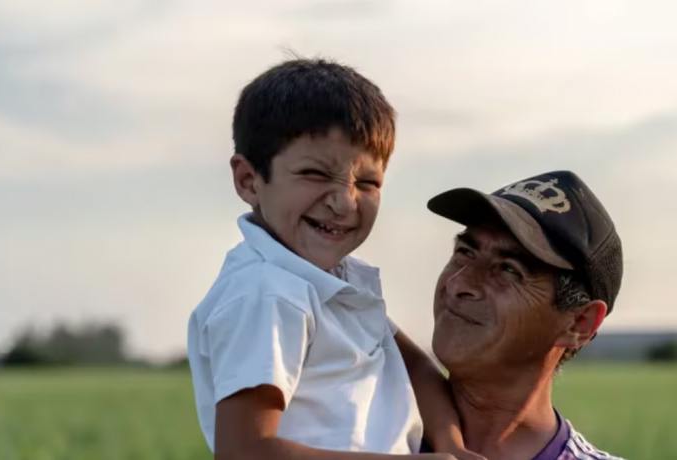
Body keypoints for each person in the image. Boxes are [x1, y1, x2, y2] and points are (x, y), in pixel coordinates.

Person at [186, 58, 477, 460]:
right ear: (249, 180)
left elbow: (420, 372)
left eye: (368, 182)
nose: (344, 201)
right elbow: (244, 451)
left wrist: (452, 446)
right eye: (315, 174)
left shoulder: (336, 281)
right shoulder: (267, 293)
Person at [426, 170, 625, 460]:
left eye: (508, 269)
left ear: (580, 322)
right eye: (465, 252)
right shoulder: (358, 421)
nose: (458, 284)